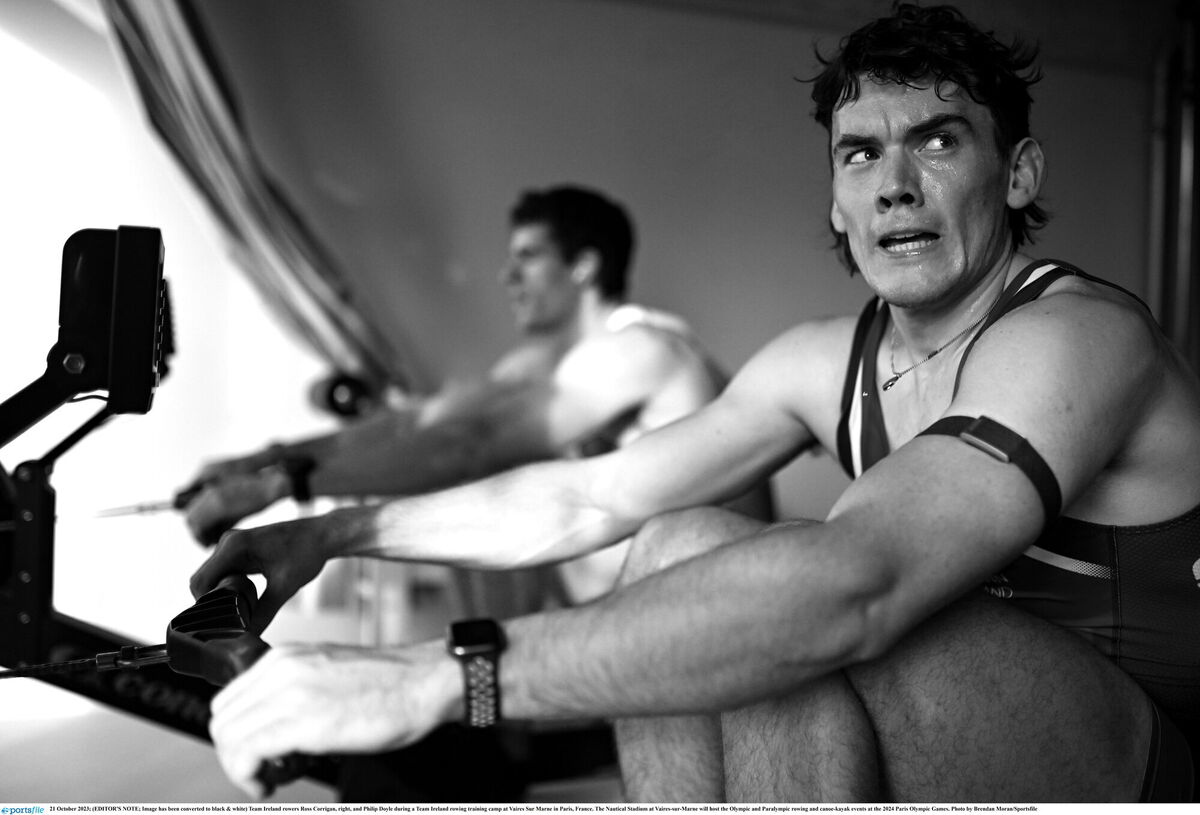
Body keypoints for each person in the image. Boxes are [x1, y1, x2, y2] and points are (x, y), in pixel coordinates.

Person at [194, 4, 1199, 803]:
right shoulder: (818, 361)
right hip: (957, 738)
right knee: (677, 539)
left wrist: (433, 677)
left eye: (938, 142)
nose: (894, 183)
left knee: (796, 589)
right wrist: (329, 531)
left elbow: (859, 583)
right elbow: (587, 500)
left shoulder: (1078, 336)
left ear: (1018, 173)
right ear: (835, 202)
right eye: (860, 152)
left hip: (1141, 768)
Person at [180, 184, 774, 608]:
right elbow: (416, 425)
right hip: (624, 615)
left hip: (715, 609)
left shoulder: (641, 349)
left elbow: (473, 444)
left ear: (585, 267)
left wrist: (285, 487)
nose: (506, 276)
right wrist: (259, 464)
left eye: (528, 257)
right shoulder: (544, 365)